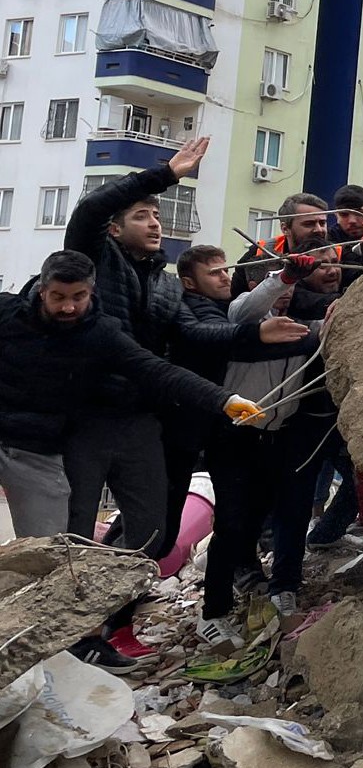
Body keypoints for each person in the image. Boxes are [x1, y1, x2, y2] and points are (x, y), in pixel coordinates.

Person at [2, 251, 263, 667]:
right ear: (41, 290)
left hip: (54, 440)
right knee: (63, 545)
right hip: (38, 437)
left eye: (78, 296)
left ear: (91, 291)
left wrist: (224, 400)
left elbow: (156, 370)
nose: (68, 307)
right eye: (58, 297)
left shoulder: (101, 332)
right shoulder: (8, 314)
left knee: (88, 544)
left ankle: (84, 635)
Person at [199, 254, 338, 646]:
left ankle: (282, 588)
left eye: (289, 289)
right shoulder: (238, 322)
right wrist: (283, 277)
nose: (282, 296)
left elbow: (334, 329)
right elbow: (248, 308)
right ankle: (212, 612)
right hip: (234, 437)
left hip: (276, 437)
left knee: (283, 512)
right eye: (275, 288)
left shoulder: (300, 327)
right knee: (231, 524)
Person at [231, 192, 333, 298]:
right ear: (285, 229)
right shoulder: (260, 252)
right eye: (308, 224)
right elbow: (236, 298)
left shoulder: (338, 253)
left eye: (322, 223)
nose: (319, 229)